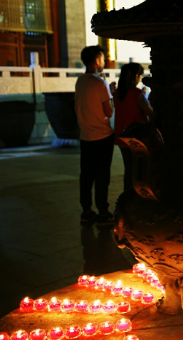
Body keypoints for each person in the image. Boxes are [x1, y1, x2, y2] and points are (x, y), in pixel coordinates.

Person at [75, 45, 115, 226]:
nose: (104, 62)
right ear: (97, 61)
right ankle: (103, 212)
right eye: (103, 58)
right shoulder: (100, 83)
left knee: (86, 175)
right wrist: (111, 96)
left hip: (85, 136)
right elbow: (108, 112)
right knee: (102, 176)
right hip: (102, 136)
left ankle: (86, 210)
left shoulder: (80, 81)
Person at [114, 63, 153, 191]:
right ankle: (135, 196)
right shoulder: (137, 94)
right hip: (136, 137)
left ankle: (127, 196)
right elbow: (150, 112)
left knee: (129, 168)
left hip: (121, 136)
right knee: (138, 170)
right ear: (136, 76)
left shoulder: (117, 93)